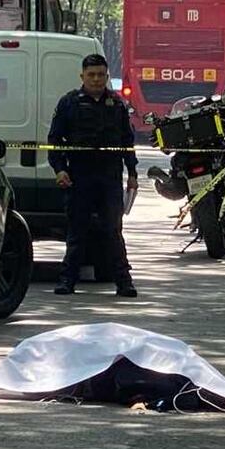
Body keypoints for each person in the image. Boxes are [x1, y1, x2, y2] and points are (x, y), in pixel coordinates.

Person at [48, 54, 139, 297]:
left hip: (109, 178)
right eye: (91, 75)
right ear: (82, 76)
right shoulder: (69, 103)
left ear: (107, 76)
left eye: (100, 75)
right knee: (77, 232)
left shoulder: (117, 104)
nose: (96, 79)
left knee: (113, 231)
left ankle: (124, 282)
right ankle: (67, 281)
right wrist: (60, 169)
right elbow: (55, 141)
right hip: (79, 177)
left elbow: (127, 142)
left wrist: (132, 173)